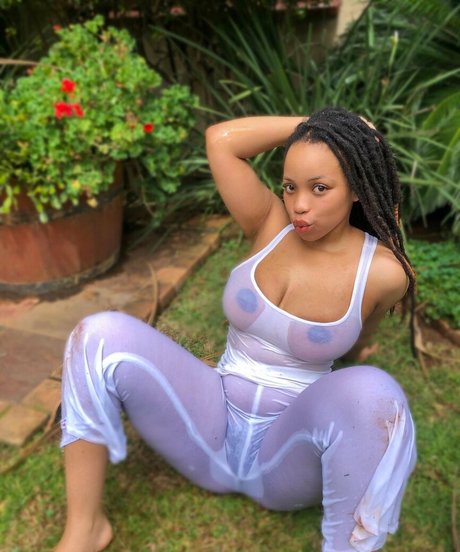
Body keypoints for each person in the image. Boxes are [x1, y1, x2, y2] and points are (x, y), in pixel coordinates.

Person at [55, 107, 417, 552]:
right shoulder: (270, 225)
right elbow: (221, 141)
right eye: (290, 186)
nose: (300, 205)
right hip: (207, 436)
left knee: (375, 392)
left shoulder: (381, 273)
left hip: (284, 462)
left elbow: (361, 339)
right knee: (97, 334)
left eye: (320, 188)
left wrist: (350, 141)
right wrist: (321, 127)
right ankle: (85, 530)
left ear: (357, 188)